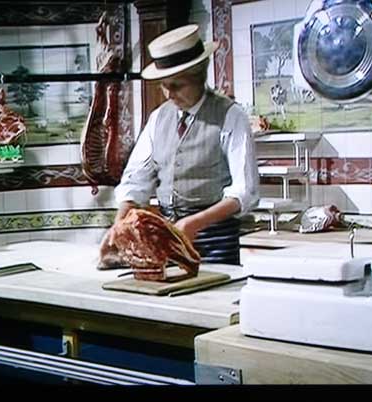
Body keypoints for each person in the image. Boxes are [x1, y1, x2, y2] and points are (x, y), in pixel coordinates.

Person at [99, 24, 259, 267]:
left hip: (215, 241)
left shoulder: (230, 115)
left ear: (199, 77)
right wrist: (118, 226)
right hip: (168, 240)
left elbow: (245, 191)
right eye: (164, 85)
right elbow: (135, 182)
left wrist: (194, 223)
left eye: (177, 85)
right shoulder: (158, 119)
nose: (168, 94)